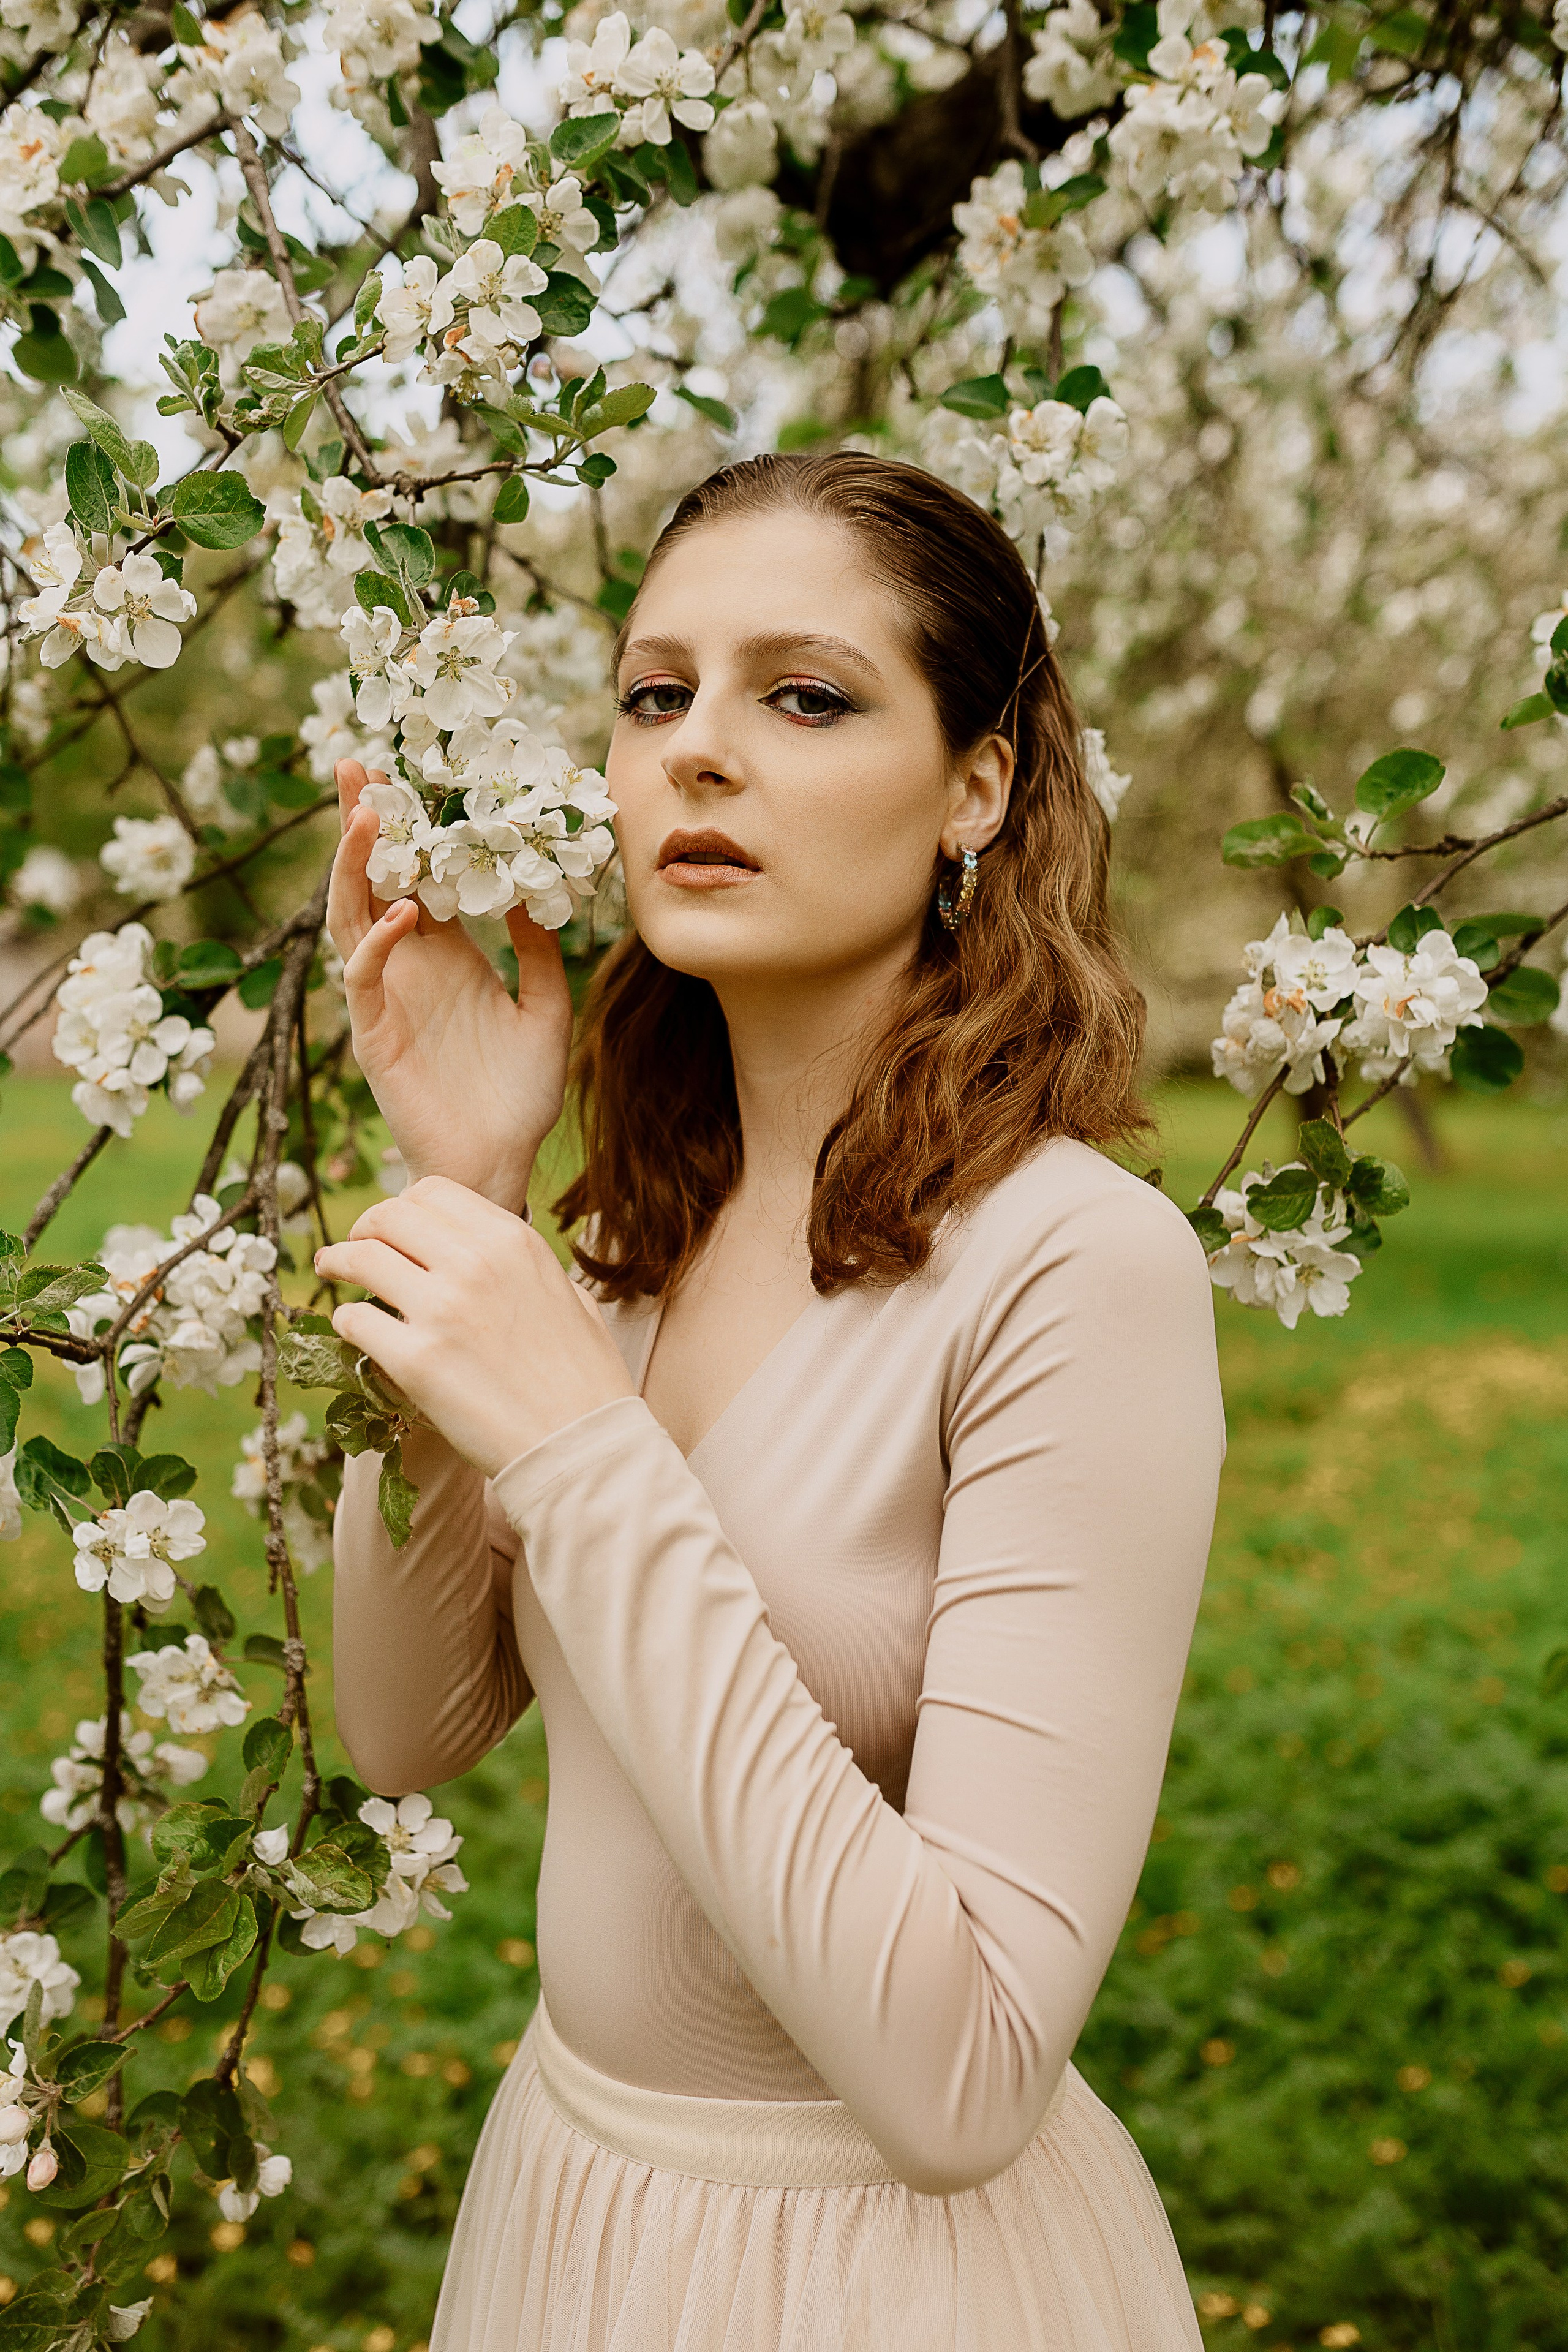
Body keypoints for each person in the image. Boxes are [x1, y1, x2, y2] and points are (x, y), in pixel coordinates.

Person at [322, 450, 1225, 2352]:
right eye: (658, 694)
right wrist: (471, 1200)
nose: (697, 755)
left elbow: (964, 2080)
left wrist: (583, 1450)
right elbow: (405, 1736)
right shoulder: (648, 1235)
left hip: (890, 2283)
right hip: (571, 2216)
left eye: (803, 696)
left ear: (978, 785)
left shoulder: (1080, 1271)